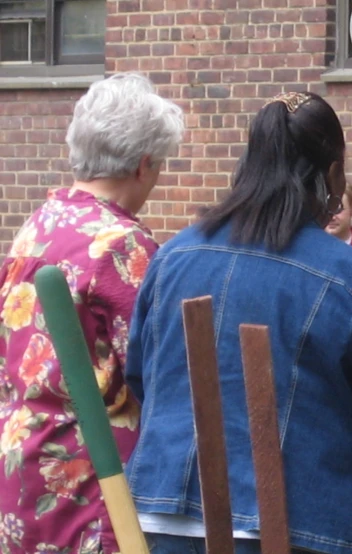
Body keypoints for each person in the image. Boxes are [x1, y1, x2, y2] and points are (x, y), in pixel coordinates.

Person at [124, 91, 352, 554]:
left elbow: (142, 377)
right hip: (298, 524)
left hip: (162, 514)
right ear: (334, 175)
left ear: (248, 165)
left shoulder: (173, 257)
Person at [0, 72, 183, 553]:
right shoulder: (123, 245)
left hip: (20, 464)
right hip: (90, 479)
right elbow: (158, 370)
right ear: (144, 164)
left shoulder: (36, 227)